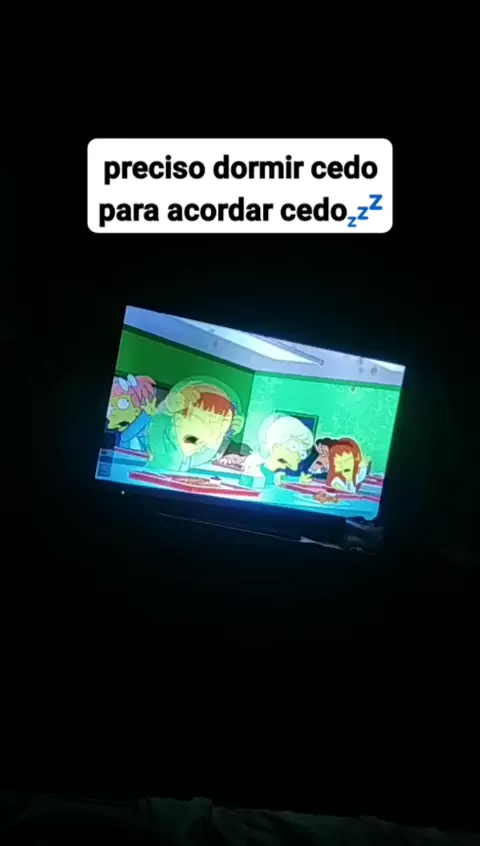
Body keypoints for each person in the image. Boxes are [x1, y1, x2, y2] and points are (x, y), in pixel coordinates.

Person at [147, 380, 244, 473]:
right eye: (201, 421)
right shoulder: (165, 445)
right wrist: (167, 409)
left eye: (218, 427)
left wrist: (229, 431)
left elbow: (213, 448)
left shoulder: (199, 455)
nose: (210, 434)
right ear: (178, 420)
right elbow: (157, 427)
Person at [244, 415, 314, 487]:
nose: (298, 456)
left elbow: (282, 478)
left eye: (302, 454)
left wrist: (298, 479)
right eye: (294, 447)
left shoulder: (275, 472)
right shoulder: (255, 463)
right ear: (276, 446)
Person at [106, 374, 157, 451]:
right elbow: (128, 434)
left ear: (137, 411)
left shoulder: (138, 430)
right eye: (111, 405)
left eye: (122, 404)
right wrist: (146, 415)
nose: (112, 409)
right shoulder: (123, 433)